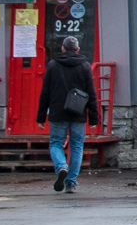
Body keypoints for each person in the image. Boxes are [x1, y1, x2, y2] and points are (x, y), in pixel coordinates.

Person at [36, 36, 101, 194]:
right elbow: (91, 93)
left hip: (57, 111)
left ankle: (61, 167)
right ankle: (71, 182)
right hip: (78, 112)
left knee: (56, 143)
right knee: (77, 146)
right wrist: (93, 117)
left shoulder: (52, 65)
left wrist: (40, 116)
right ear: (77, 49)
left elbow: (45, 92)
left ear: (63, 49)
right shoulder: (85, 66)